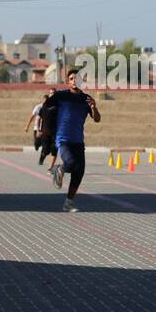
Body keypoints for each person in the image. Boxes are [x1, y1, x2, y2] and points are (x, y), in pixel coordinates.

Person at [48, 68, 100, 211]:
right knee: (70, 163)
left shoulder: (86, 98)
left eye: (77, 78)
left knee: (79, 172)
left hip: (78, 141)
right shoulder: (60, 96)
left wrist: (93, 107)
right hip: (63, 139)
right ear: (67, 81)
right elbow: (47, 108)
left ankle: (68, 203)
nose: (74, 81)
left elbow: (97, 119)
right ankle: (59, 168)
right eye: (71, 78)